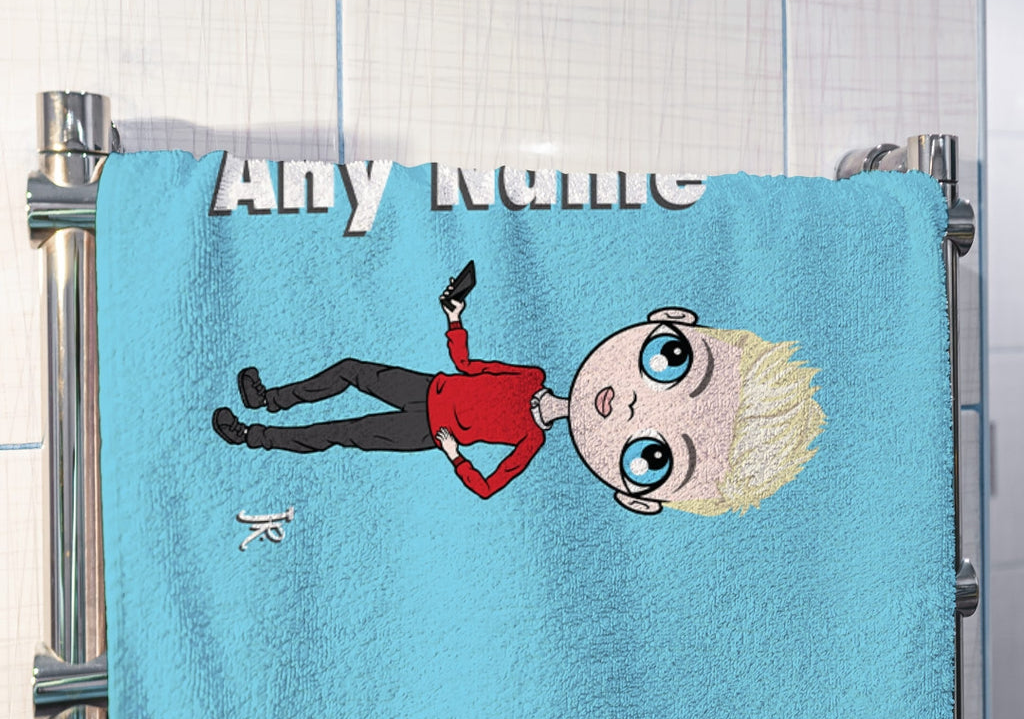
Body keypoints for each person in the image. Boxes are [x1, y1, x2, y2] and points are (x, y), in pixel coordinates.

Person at [212, 278, 825, 513]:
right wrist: (455, 317)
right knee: (350, 370)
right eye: (670, 360)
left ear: (633, 499)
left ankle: (255, 437)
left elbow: (487, 487)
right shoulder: (530, 376)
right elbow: (468, 365)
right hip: (429, 386)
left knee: (342, 433)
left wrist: (453, 453)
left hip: (425, 432)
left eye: (651, 458)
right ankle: (270, 400)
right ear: (671, 320)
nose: (634, 406)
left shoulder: (530, 441)